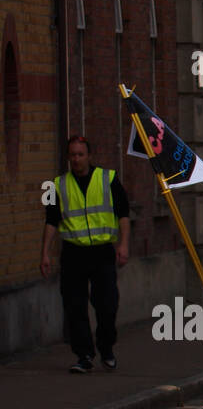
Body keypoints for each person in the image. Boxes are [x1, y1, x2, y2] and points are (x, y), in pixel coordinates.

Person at [40, 136, 130, 373]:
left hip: (102, 252)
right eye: (73, 155)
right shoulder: (56, 185)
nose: (77, 159)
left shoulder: (108, 179)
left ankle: (106, 348)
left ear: (89, 156)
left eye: (81, 154)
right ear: (68, 157)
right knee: (74, 306)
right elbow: (51, 220)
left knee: (107, 305)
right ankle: (84, 356)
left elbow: (123, 213)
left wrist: (124, 245)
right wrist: (45, 254)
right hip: (73, 253)